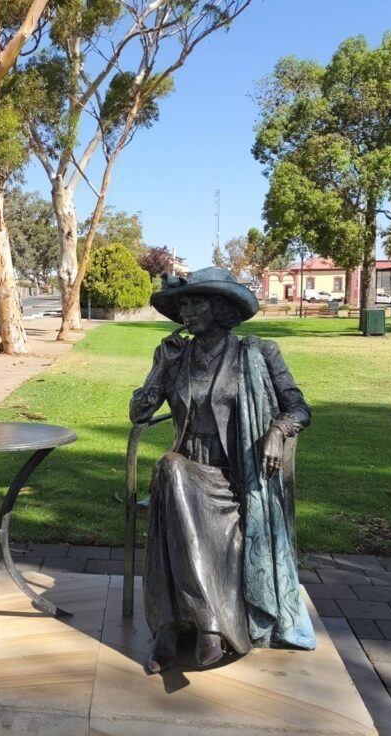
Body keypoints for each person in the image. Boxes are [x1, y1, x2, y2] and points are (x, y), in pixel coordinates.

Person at [130, 267, 316, 673]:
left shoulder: (259, 353)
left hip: (235, 478)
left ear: (220, 308)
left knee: (172, 492)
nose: (186, 312)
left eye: (195, 302)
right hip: (185, 470)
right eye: (182, 304)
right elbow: (139, 413)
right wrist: (161, 367)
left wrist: (278, 431)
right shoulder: (175, 357)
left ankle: (170, 627)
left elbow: (299, 408)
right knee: (170, 470)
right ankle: (208, 624)